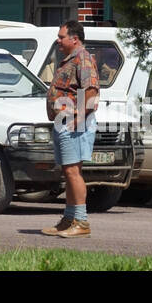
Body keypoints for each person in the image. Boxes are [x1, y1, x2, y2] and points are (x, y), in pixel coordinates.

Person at [41, 20, 100, 238]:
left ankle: (81, 222)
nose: (58, 40)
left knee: (73, 172)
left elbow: (91, 91)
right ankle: (69, 218)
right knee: (69, 171)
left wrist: (79, 117)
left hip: (74, 123)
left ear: (74, 38)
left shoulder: (82, 57)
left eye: (61, 36)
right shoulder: (70, 59)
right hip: (64, 122)